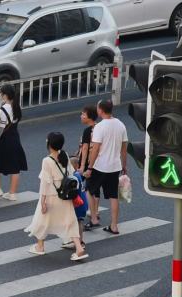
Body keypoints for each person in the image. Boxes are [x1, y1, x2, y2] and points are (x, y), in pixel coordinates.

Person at [24, 132, 88, 261]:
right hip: (65, 195)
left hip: (52, 195)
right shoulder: (64, 155)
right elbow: (71, 173)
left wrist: (42, 201)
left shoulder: (47, 160)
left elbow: (45, 183)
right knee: (70, 221)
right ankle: (79, 248)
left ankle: (40, 246)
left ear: (49, 144)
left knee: (41, 221)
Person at [83, 100, 128, 235]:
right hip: (115, 166)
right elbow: (124, 148)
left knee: (89, 190)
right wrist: (124, 165)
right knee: (113, 196)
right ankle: (114, 226)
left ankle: (94, 218)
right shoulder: (121, 125)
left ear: (100, 110)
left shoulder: (100, 127)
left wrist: (89, 168)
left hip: (100, 166)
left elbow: (95, 149)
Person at [0, 83, 27, 201]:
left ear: (5, 95)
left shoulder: (3, 110)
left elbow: (0, 129)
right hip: (15, 138)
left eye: (1, 93)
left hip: (4, 140)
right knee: (15, 166)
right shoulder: (16, 106)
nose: (0, 95)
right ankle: (12, 193)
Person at [66, 156, 88, 249]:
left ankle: (79, 242)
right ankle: (78, 240)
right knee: (80, 221)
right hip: (83, 203)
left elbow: (73, 191)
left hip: (78, 204)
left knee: (77, 222)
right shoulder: (78, 175)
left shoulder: (74, 177)